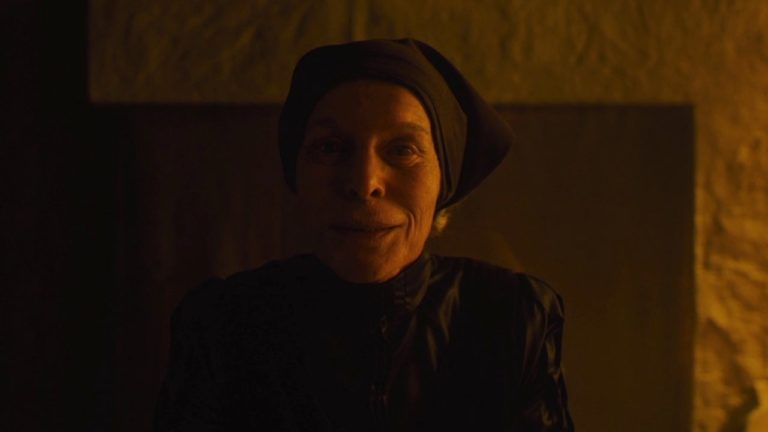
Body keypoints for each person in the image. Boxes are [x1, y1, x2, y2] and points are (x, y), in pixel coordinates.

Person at [155, 38, 574, 431]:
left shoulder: (512, 320)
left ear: (443, 181)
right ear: (297, 174)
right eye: (330, 148)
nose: (364, 182)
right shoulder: (223, 326)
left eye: (402, 150)